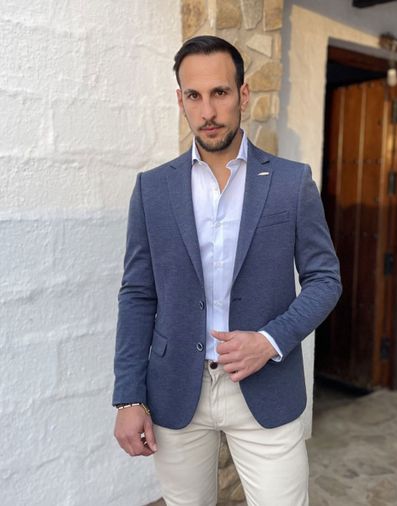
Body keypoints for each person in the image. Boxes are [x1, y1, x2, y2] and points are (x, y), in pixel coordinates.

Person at [112, 35, 341, 506]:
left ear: (243, 94)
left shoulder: (291, 182)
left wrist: (270, 341)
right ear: (180, 100)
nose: (208, 111)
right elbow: (137, 294)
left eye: (219, 92)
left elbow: (325, 279)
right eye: (194, 96)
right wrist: (129, 396)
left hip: (266, 384)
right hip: (176, 387)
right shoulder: (152, 189)